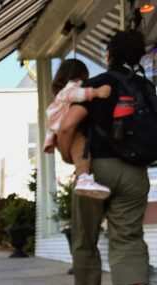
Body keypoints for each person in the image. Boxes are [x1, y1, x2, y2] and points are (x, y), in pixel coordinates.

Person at [57, 29, 157, 285]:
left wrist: (69, 157)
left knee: (85, 236)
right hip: (135, 172)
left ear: (109, 55)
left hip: (96, 169)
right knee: (128, 235)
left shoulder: (98, 84)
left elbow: (67, 126)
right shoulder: (145, 87)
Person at [44, 59, 112, 199]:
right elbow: (75, 94)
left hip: (59, 133)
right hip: (66, 132)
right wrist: (96, 92)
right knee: (81, 149)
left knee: (79, 152)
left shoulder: (61, 93)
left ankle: (82, 177)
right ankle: (83, 177)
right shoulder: (71, 88)